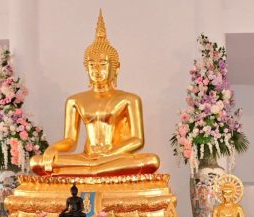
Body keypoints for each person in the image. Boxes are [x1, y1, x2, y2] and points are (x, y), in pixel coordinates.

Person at [29, 11, 160, 177]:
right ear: (86, 68)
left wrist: (109, 154)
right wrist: (53, 148)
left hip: (115, 158)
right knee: (36, 162)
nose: (97, 70)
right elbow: (70, 140)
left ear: (115, 68)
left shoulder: (129, 99)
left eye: (103, 64)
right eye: (92, 65)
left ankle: (89, 171)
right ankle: (93, 170)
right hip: (86, 157)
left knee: (151, 160)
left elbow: (137, 140)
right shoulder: (75, 100)